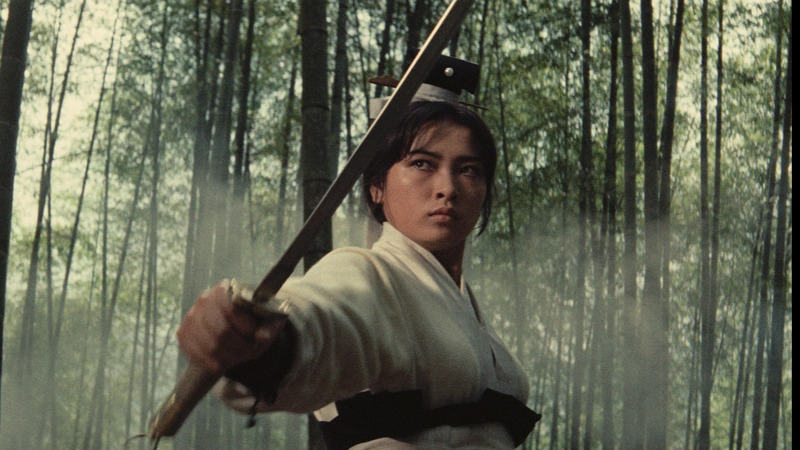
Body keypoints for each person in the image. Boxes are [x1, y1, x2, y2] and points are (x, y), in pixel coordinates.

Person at [177, 57, 541, 449]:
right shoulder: (368, 274)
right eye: (422, 163)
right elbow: (326, 316)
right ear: (377, 187)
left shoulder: (464, 306)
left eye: (469, 169)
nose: (447, 188)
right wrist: (268, 341)